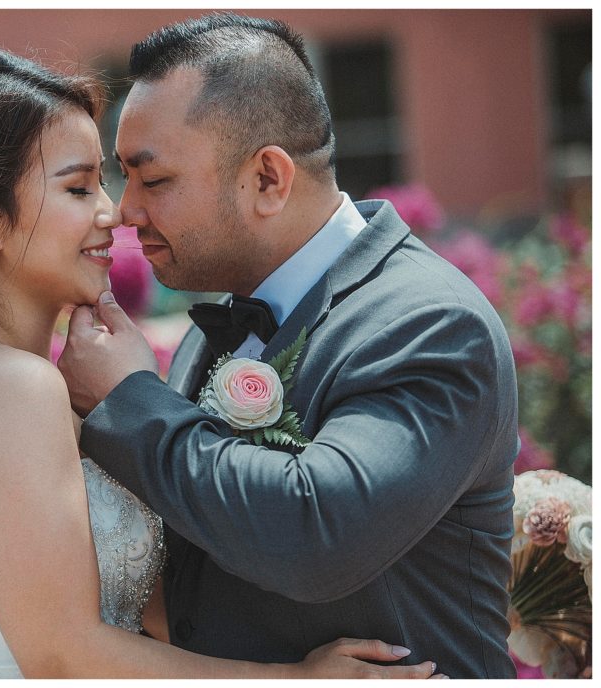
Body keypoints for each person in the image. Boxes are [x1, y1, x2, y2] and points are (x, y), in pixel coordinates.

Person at [0, 45, 443, 679]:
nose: (114, 212)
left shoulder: (54, 388)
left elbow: (155, 625)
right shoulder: (7, 386)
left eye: (105, 180)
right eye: (77, 187)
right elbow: (60, 655)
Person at [59, 13, 519, 680]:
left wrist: (128, 400)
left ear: (269, 179)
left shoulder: (430, 323)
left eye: (153, 180)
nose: (125, 211)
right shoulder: (216, 319)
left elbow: (316, 535)